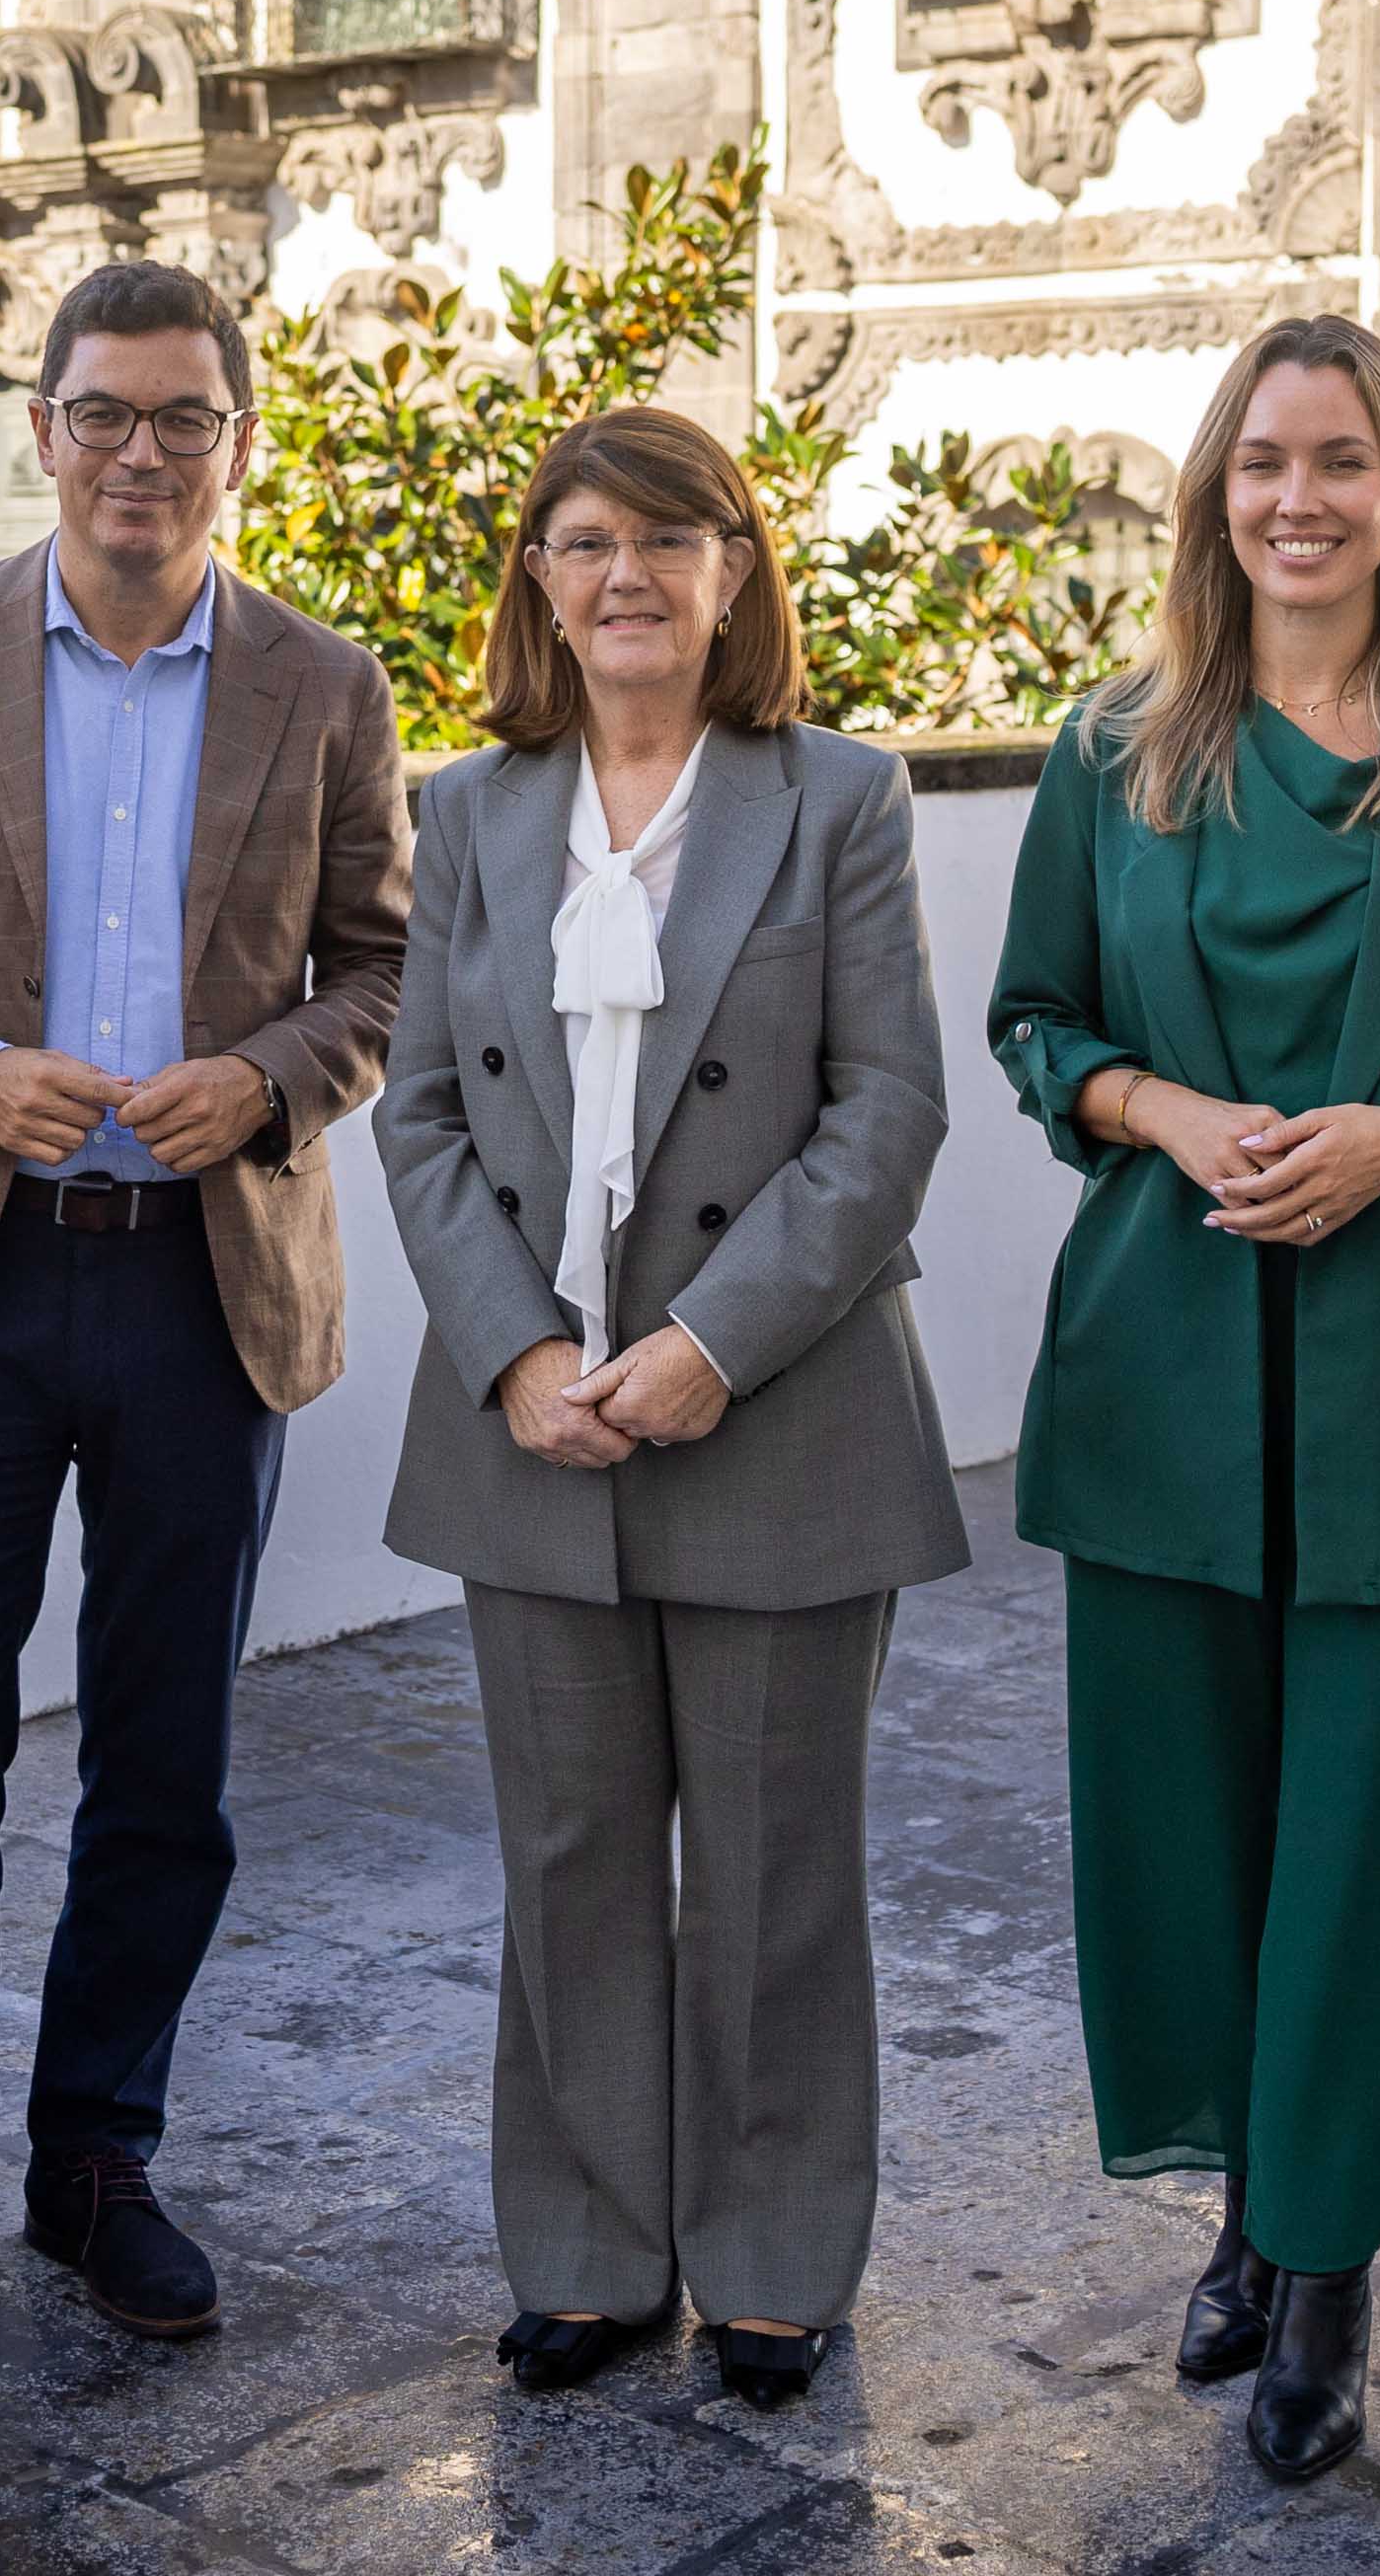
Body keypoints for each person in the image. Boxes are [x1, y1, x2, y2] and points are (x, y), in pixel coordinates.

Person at [0, 259, 412, 2361]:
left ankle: (100, 2156)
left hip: (202, 1289)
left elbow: (383, 969)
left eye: (183, 418)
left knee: (168, 1759)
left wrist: (271, 1079)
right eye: (104, 413)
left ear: (237, 438)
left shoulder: (325, 681)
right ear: (41, 427)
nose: (142, 453)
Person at [983, 317, 1380, 2487]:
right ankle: (1251, 2196)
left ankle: (1330, 2264)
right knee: (1192, 1827)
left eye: (1341, 460)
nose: (1299, 498)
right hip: (1163, 1367)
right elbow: (1036, 1018)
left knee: (1376, 1843)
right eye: (1263, 460)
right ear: (1213, 494)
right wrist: (1164, 1112)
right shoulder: (1116, 747)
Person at [373, 407, 961, 2411]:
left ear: (736, 573)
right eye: (584, 537)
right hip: (526, 1419)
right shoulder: (465, 812)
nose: (625, 572)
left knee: (785, 1858)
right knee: (571, 1850)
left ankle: (779, 2255)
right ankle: (593, 2250)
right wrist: (519, 1347)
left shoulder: (840, 797)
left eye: (670, 537)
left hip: (777, 1406)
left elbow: (889, 1112)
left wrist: (710, 1336)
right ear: (536, 577)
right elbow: (422, 1111)